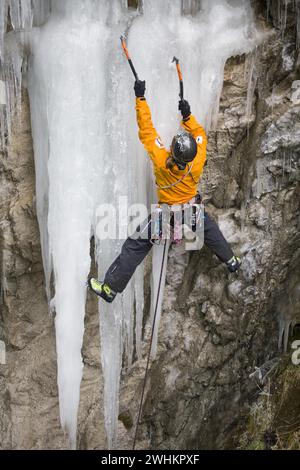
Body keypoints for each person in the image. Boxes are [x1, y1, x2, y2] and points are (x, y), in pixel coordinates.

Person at [89, 80, 241, 303]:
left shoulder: (162, 160)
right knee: (209, 230)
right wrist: (187, 116)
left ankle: (110, 288)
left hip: (166, 215)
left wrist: (140, 98)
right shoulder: (197, 161)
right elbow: (199, 133)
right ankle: (231, 260)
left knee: (136, 244)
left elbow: (147, 130)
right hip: (191, 209)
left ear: (172, 150)